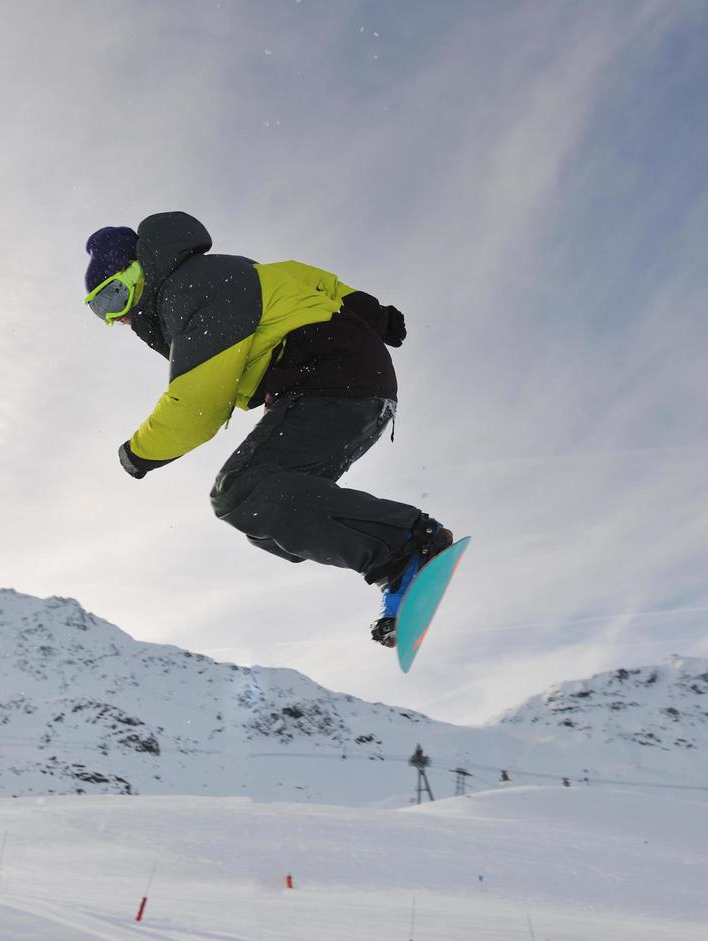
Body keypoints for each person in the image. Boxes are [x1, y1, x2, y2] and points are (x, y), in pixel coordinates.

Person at [83, 214, 456, 645]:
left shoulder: (192, 286)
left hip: (328, 381)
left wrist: (138, 452)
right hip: (360, 389)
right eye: (101, 310)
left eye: (113, 297)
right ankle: (401, 564)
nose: (118, 318)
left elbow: (197, 404)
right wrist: (374, 313)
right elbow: (314, 280)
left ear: (139, 271)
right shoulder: (241, 271)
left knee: (242, 492)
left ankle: (408, 545)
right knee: (271, 521)